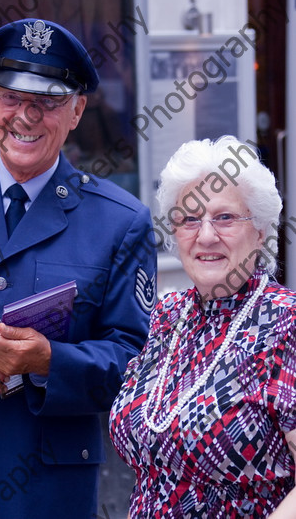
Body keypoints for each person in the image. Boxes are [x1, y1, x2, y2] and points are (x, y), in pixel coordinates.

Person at [0, 18, 157, 518]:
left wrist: (50, 361)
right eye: (9, 96)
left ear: (77, 111)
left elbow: (138, 365)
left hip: (45, 494)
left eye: (47, 101)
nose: (24, 116)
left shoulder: (120, 223)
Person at [109, 136, 296, 518]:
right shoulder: (166, 316)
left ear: (259, 231)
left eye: (225, 218)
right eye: (190, 218)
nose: (206, 235)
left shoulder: (285, 323)